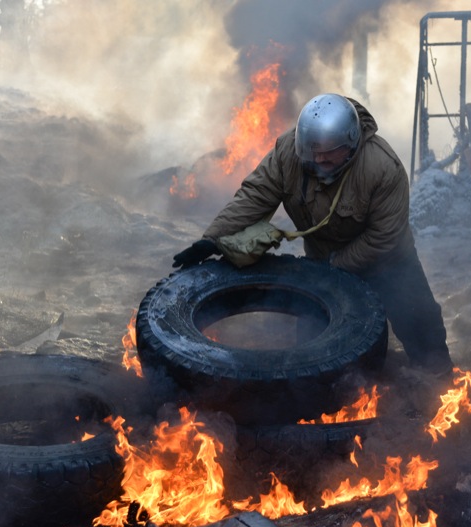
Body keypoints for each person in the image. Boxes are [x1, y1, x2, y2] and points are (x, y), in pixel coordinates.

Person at [173, 93, 454, 376]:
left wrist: (334, 267)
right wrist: (212, 238)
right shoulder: (289, 153)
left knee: (422, 327)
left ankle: (438, 388)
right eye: (312, 152)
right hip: (322, 262)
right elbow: (255, 195)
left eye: (328, 155)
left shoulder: (383, 168)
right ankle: (321, 396)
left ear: (351, 144)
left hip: (389, 263)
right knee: (313, 343)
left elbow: (383, 237)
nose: (317, 160)